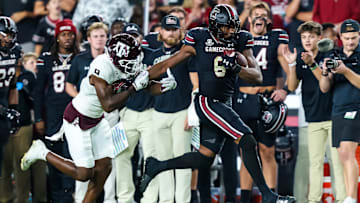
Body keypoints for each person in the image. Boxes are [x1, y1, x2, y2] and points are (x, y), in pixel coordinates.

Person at [139, 4, 295, 203]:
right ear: (214, 26)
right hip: (207, 102)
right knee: (247, 140)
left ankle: (156, 166)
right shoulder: (199, 37)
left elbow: (257, 76)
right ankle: (269, 196)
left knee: (205, 157)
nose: (231, 31)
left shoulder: (240, 39)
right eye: (227, 27)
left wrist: (237, 68)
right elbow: (168, 63)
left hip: (225, 102)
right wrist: (141, 78)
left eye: (233, 27)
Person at [21, 33, 163, 202]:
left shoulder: (122, 64)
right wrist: (133, 87)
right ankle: (42, 152)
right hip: (78, 119)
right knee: (84, 173)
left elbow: (145, 84)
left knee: (104, 169)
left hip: (97, 119)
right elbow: (108, 105)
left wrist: (162, 86)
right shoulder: (101, 66)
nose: (134, 64)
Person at [231, 3, 289, 202]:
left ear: (270, 20)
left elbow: (289, 65)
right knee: (246, 152)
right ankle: (245, 198)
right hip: (243, 99)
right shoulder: (239, 38)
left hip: (266, 99)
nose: (260, 18)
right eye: (256, 15)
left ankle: (270, 197)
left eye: (264, 16)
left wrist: (286, 89)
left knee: (267, 151)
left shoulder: (276, 37)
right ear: (249, 19)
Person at [283, 20, 346, 203]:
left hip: (333, 116)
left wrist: (312, 64)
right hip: (313, 117)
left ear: (319, 38)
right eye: (304, 37)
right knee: (315, 163)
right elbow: (293, 86)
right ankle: (313, 200)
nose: (307, 40)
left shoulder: (329, 55)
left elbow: (325, 84)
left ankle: (342, 199)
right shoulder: (301, 58)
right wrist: (292, 65)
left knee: (337, 163)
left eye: (311, 37)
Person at [65, 21, 118, 203]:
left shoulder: (114, 59)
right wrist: (83, 99)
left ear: (107, 38)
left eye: (102, 36)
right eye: (95, 36)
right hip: (84, 116)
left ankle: (110, 199)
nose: (99, 40)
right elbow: (69, 85)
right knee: (85, 163)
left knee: (110, 160)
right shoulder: (80, 59)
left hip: (111, 115)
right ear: (88, 39)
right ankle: (80, 199)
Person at [32, 19, 79, 203]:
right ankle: (57, 197)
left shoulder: (80, 57)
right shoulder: (46, 59)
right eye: (63, 34)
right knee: (55, 158)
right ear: (57, 37)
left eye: (70, 34)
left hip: (75, 115)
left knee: (72, 156)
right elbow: (38, 92)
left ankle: (69, 196)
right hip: (52, 115)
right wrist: (38, 118)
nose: (67, 38)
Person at [319, 19, 360, 203]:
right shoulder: (334, 55)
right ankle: (348, 196)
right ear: (340, 37)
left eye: (354, 37)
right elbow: (324, 88)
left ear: (359, 36)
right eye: (347, 38)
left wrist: (345, 71)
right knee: (343, 155)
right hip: (338, 108)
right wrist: (325, 73)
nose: (350, 41)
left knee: (346, 152)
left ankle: (351, 197)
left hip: (356, 107)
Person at [0, 52, 37, 203]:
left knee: (22, 167)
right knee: (3, 168)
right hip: (3, 124)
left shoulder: (29, 76)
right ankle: (5, 199)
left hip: (23, 125)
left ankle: (22, 199)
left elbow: (36, 98)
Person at [0, 15, 22, 184]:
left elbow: (14, 84)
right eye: (3, 34)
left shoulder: (15, 51)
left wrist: (13, 108)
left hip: (3, 109)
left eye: (10, 34)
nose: (7, 39)